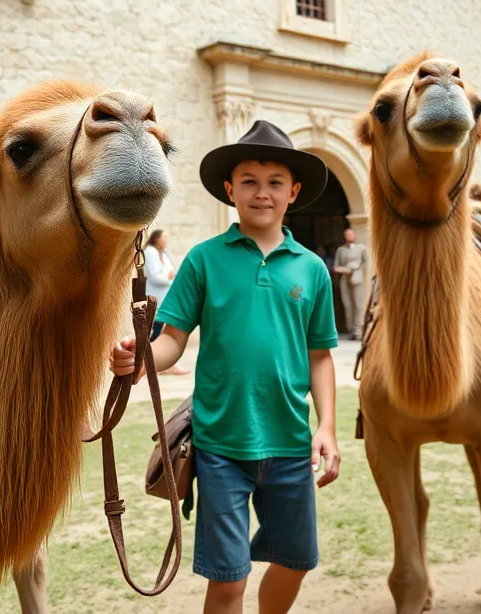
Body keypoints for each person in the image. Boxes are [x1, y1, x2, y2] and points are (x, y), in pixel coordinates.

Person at [110, 120, 339, 614]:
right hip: (220, 446)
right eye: (250, 182)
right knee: (229, 580)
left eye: (275, 182)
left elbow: (320, 355)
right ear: (229, 190)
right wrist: (139, 359)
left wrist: (326, 427)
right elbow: (171, 341)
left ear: (293, 192)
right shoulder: (203, 260)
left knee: (297, 561)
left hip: (290, 444)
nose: (262, 193)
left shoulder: (312, 269)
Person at [143, 229, 190, 375]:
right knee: (155, 330)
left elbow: (174, 272)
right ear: (156, 238)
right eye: (164, 237)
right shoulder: (149, 252)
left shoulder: (163, 254)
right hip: (154, 298)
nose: (166, 240)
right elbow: (155, 277)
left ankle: (158, 364)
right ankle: (150, 363)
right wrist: (168, 277)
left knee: (160, 329)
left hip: (165, 298)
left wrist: (170, 276)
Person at [333, 228, 368, 340]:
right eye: (347, 235)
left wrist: (355, 269)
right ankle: (351, 329)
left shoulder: (361, 248)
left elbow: (365, 262)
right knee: (347, 304)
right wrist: (345, 270)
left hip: (357, 277)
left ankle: (359, 329)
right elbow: (336, 266)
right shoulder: (341, 250)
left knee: (358, 303)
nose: (349, 236)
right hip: (345, 278)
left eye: (350, 234)